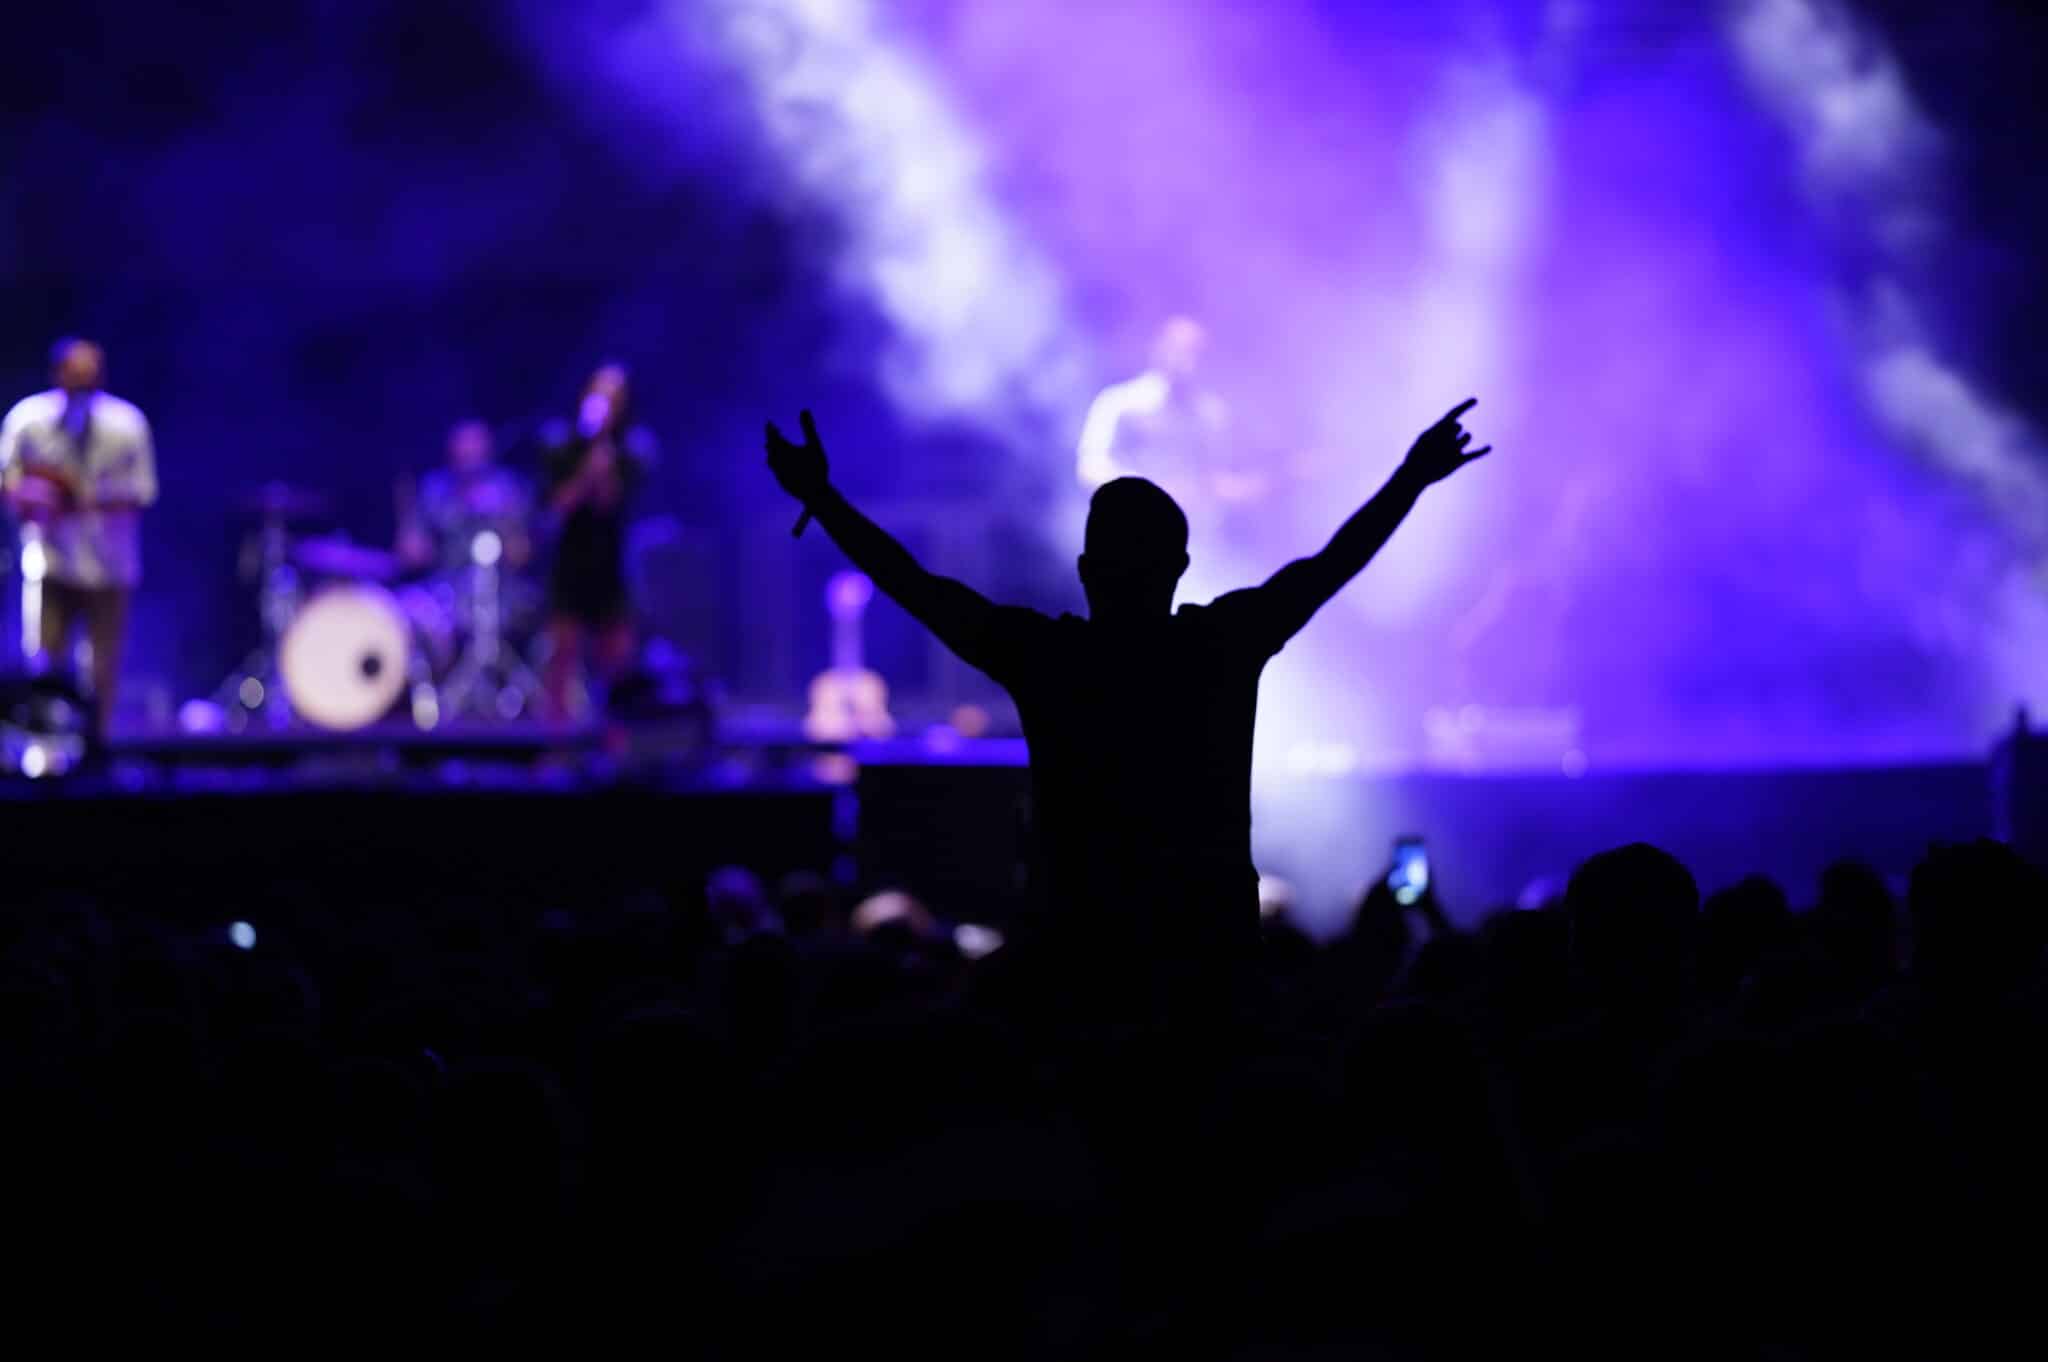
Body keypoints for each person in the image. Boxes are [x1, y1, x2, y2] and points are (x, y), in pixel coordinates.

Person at [767, 399, 1491, 1016]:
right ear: (1179, 566)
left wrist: (825, 500)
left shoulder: (1046, 655)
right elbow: (1331, 565)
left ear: (1085, 570)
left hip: (1075, 967)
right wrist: (1411, 479)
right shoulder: (1222, 643)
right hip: (1208, 970)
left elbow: (915, 584)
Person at [0, 338, 158, 737]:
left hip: (110, 566)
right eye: (76, 374)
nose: (84, 383)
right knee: (43, 662)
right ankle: (44, 752)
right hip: (51, 561)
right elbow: (8, 480)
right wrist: (33, 494)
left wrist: (83, 501)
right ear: (58, 375)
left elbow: (142, 492)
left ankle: (96, 752)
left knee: (101, 667)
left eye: (91, 375)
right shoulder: (28, 420)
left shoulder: (127, 424)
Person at [538, 364, 654, 720]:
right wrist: (587, 455)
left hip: (612, 566)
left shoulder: (634, 448)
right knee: (561, 660)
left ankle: (617, 751)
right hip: (570, 565)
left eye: (613, 395)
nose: (604, 401)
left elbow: (609, 501)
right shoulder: (560, 444)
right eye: (598, 391)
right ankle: (555, 749)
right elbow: (560, 505)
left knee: (617, 664)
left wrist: (603, 452)